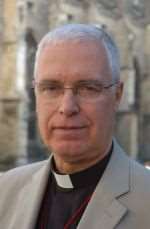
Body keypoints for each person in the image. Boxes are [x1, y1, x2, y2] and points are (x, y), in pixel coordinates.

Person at [0, 24, 150, 229]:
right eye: (51, 88)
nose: (67, 107)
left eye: (88, 88)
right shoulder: (5, 190)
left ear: (117, 95)